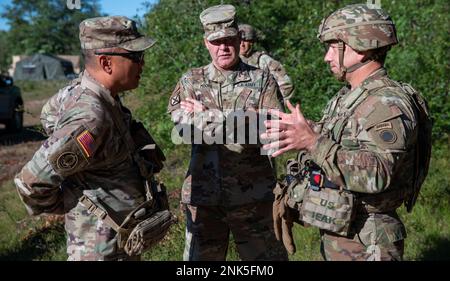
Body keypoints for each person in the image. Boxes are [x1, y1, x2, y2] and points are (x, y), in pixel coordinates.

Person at [262, 3, 431, 261]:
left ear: (361, 47)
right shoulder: (350, 97)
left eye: (333, 47)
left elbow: (378, 173)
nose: (327, 57)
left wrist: (312, 141)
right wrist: (303, 131)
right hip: (346, 232)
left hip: (369, 240)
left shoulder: (386, 103)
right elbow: (347, 140)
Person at [14, 16, 174, 261]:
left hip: (119, 243)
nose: (143, 64)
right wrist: (69, 203)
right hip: (100, 250)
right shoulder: (91, 117)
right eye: (135, 57)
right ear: (106, 63)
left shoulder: (99, 95)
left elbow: (49, 114)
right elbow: (30, 183)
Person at [167, 4, 288, 261]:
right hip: (204, 199)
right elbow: (182, 131)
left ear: (239, 39)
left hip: (254, 197)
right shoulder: (191, 79)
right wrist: (243, 121)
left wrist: (208, 116)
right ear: (206, 43)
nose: (223, 47)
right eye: (216, 41)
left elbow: (271, 130)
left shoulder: (262, 79)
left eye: (229, 40)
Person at [238, 23, 294, 103]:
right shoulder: (230, 62)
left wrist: (272, 103)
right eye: (239, 40)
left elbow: (286, 85)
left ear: (252, 42)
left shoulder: (264, 60)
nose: (242, 44)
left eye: (246, 40)